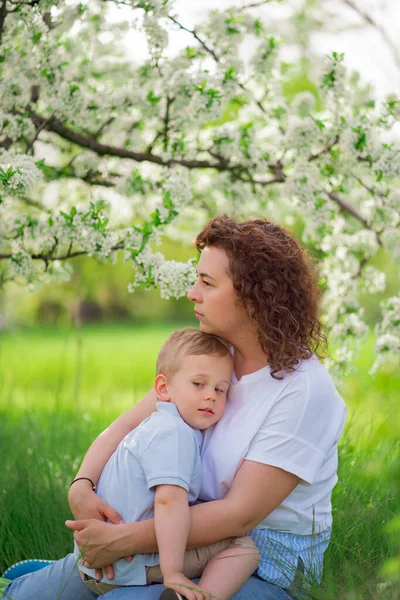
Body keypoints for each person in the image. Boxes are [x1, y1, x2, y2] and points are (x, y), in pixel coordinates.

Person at [4, 215, 347, 600]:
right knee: (26, 595)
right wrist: (81, 486)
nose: (192, 293)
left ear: (253, 297)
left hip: (258, 561)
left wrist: (122, 540)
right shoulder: (214, 358)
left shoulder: (303, 391)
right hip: (172, 533)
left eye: (206, 282)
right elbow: (125, 425)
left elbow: (240, 515)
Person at [75, 328, 259, 600]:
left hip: (98, 563)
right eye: (199, 384)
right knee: (244, 548)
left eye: (220, 389)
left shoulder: (154, 425)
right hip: (129, 567)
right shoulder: (175, 434)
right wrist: (172, 572)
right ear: (163, 388)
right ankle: (193, 596)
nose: (211, 395)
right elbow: (168, 503)